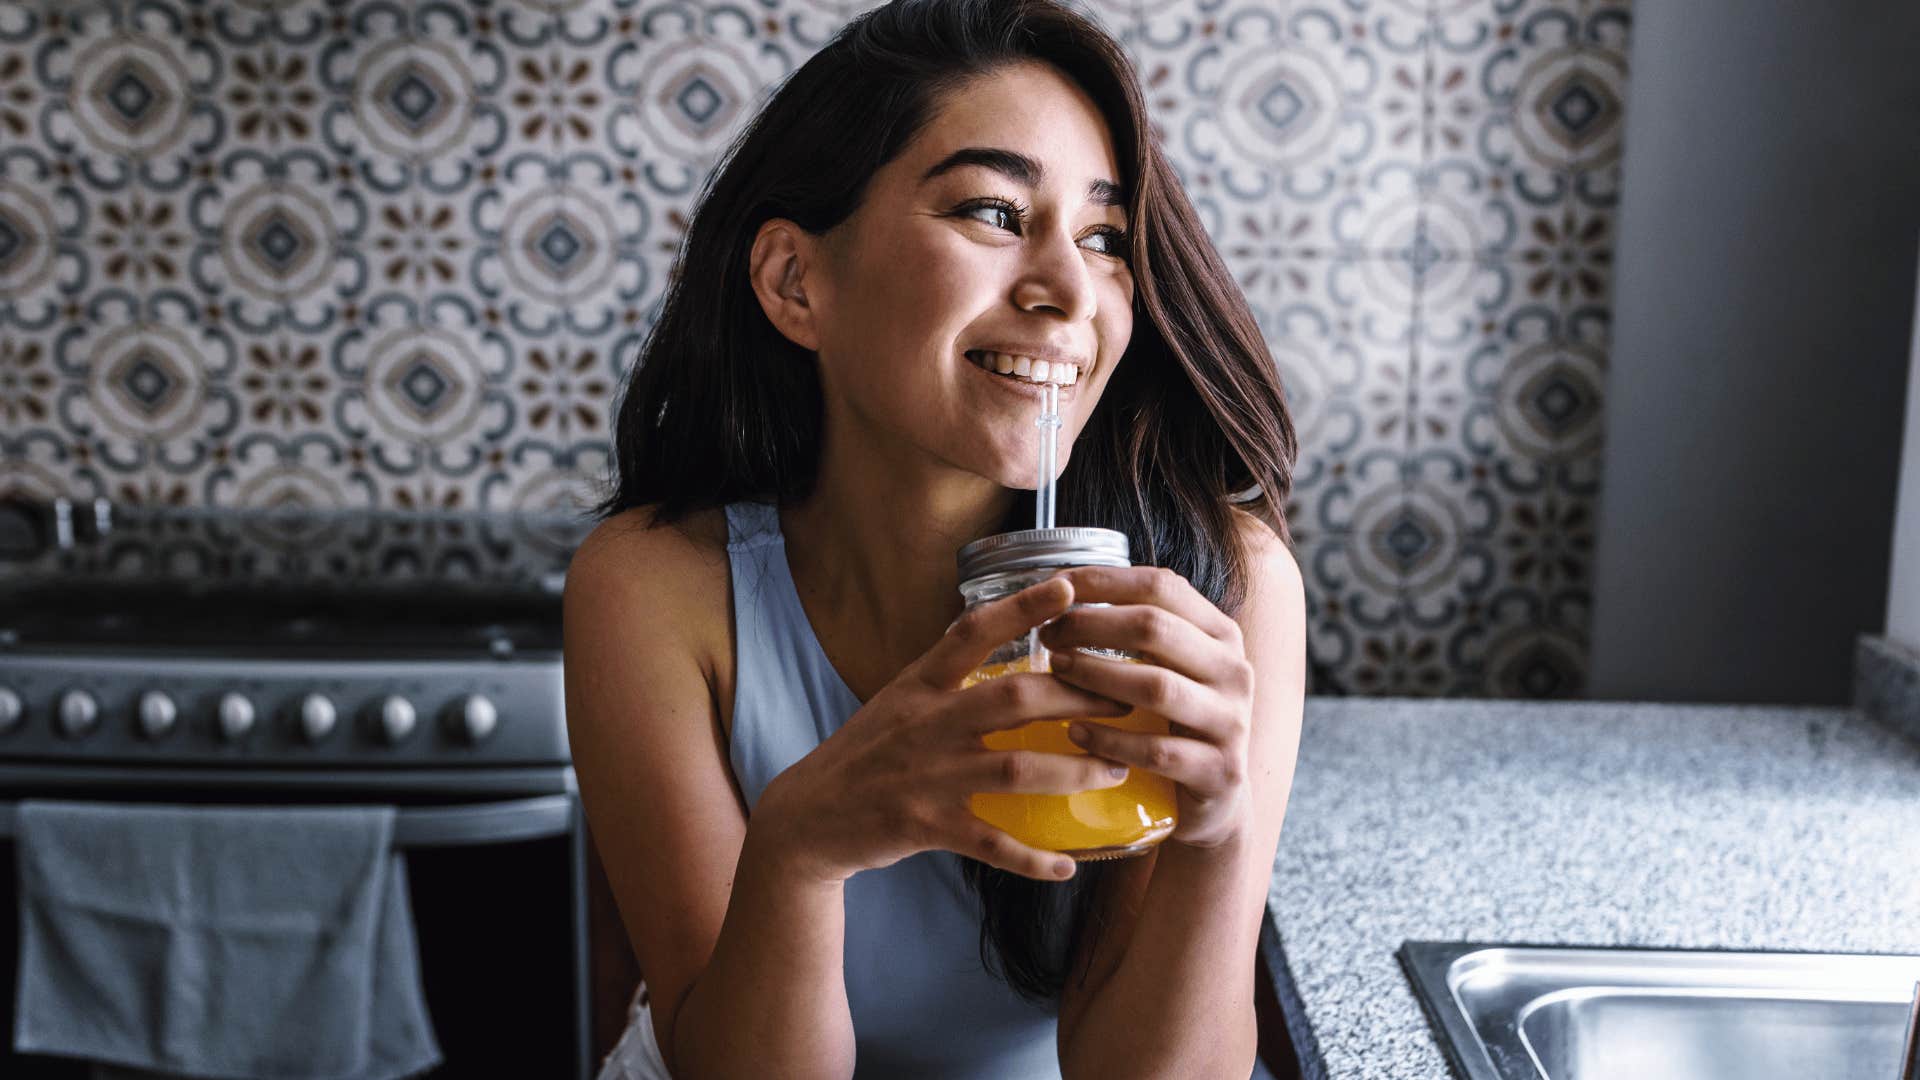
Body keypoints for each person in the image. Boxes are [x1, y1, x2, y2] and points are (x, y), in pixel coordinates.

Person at [563, 0, 1306, 1075]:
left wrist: (1219, 835)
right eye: (996, 214)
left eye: (1103, 238)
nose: (1067, 294)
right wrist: (801, 852)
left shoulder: (1219, 588)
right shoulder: (655, 586)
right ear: (794, 281)